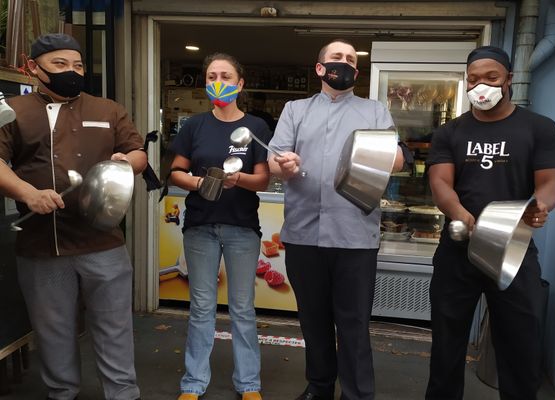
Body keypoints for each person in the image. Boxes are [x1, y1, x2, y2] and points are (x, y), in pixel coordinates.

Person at [0, 33, 147, 400]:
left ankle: (123, 393)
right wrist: (27, 193)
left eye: (78, 65)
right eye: (60, 65)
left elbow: (138, 152)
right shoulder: (12, 110)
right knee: (53, 330)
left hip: (103, 240)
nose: (72, 72)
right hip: (41, 244)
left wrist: (127, 162)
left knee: (114, 326)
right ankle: (62, 393)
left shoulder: (107, 109)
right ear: (34, 67)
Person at [425, 46, 555, 399]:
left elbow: (549, 183)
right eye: (473, 79)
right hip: (458, 248)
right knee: (447, 340)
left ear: (509, 79)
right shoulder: (450, 133)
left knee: (520, 342)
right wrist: (458, 213)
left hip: (513, 249)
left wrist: (541, 206)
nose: (481, 86)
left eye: (491, 77)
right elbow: (440, 182)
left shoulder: (539, 128)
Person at [268, 39, 405, 400]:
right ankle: (319, 387)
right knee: (313, 322)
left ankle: (358, 394)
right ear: (320, 68)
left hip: (355, 235)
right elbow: (273, 162)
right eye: (335, 58)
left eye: (349, 59)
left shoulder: (374, 111)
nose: (342, 63)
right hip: (303, 234)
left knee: (354, 324)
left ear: (356, 73)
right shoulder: (295, 110)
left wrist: (384, 155)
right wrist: (284, 164)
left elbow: (398, 159)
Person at [169, 53, 270, 400]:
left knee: (242, 308)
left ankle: (249, 384)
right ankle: (193, 384)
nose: (218, 82)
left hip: (242, 226)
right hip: (200, 225)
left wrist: (238, 178)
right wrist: (200, 184)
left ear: (240, 84)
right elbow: (176, 172)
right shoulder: (194, 126)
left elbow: (263, 181)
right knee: (201, 308)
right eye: (212, 75)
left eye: (226, 76)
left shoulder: (256, 127)